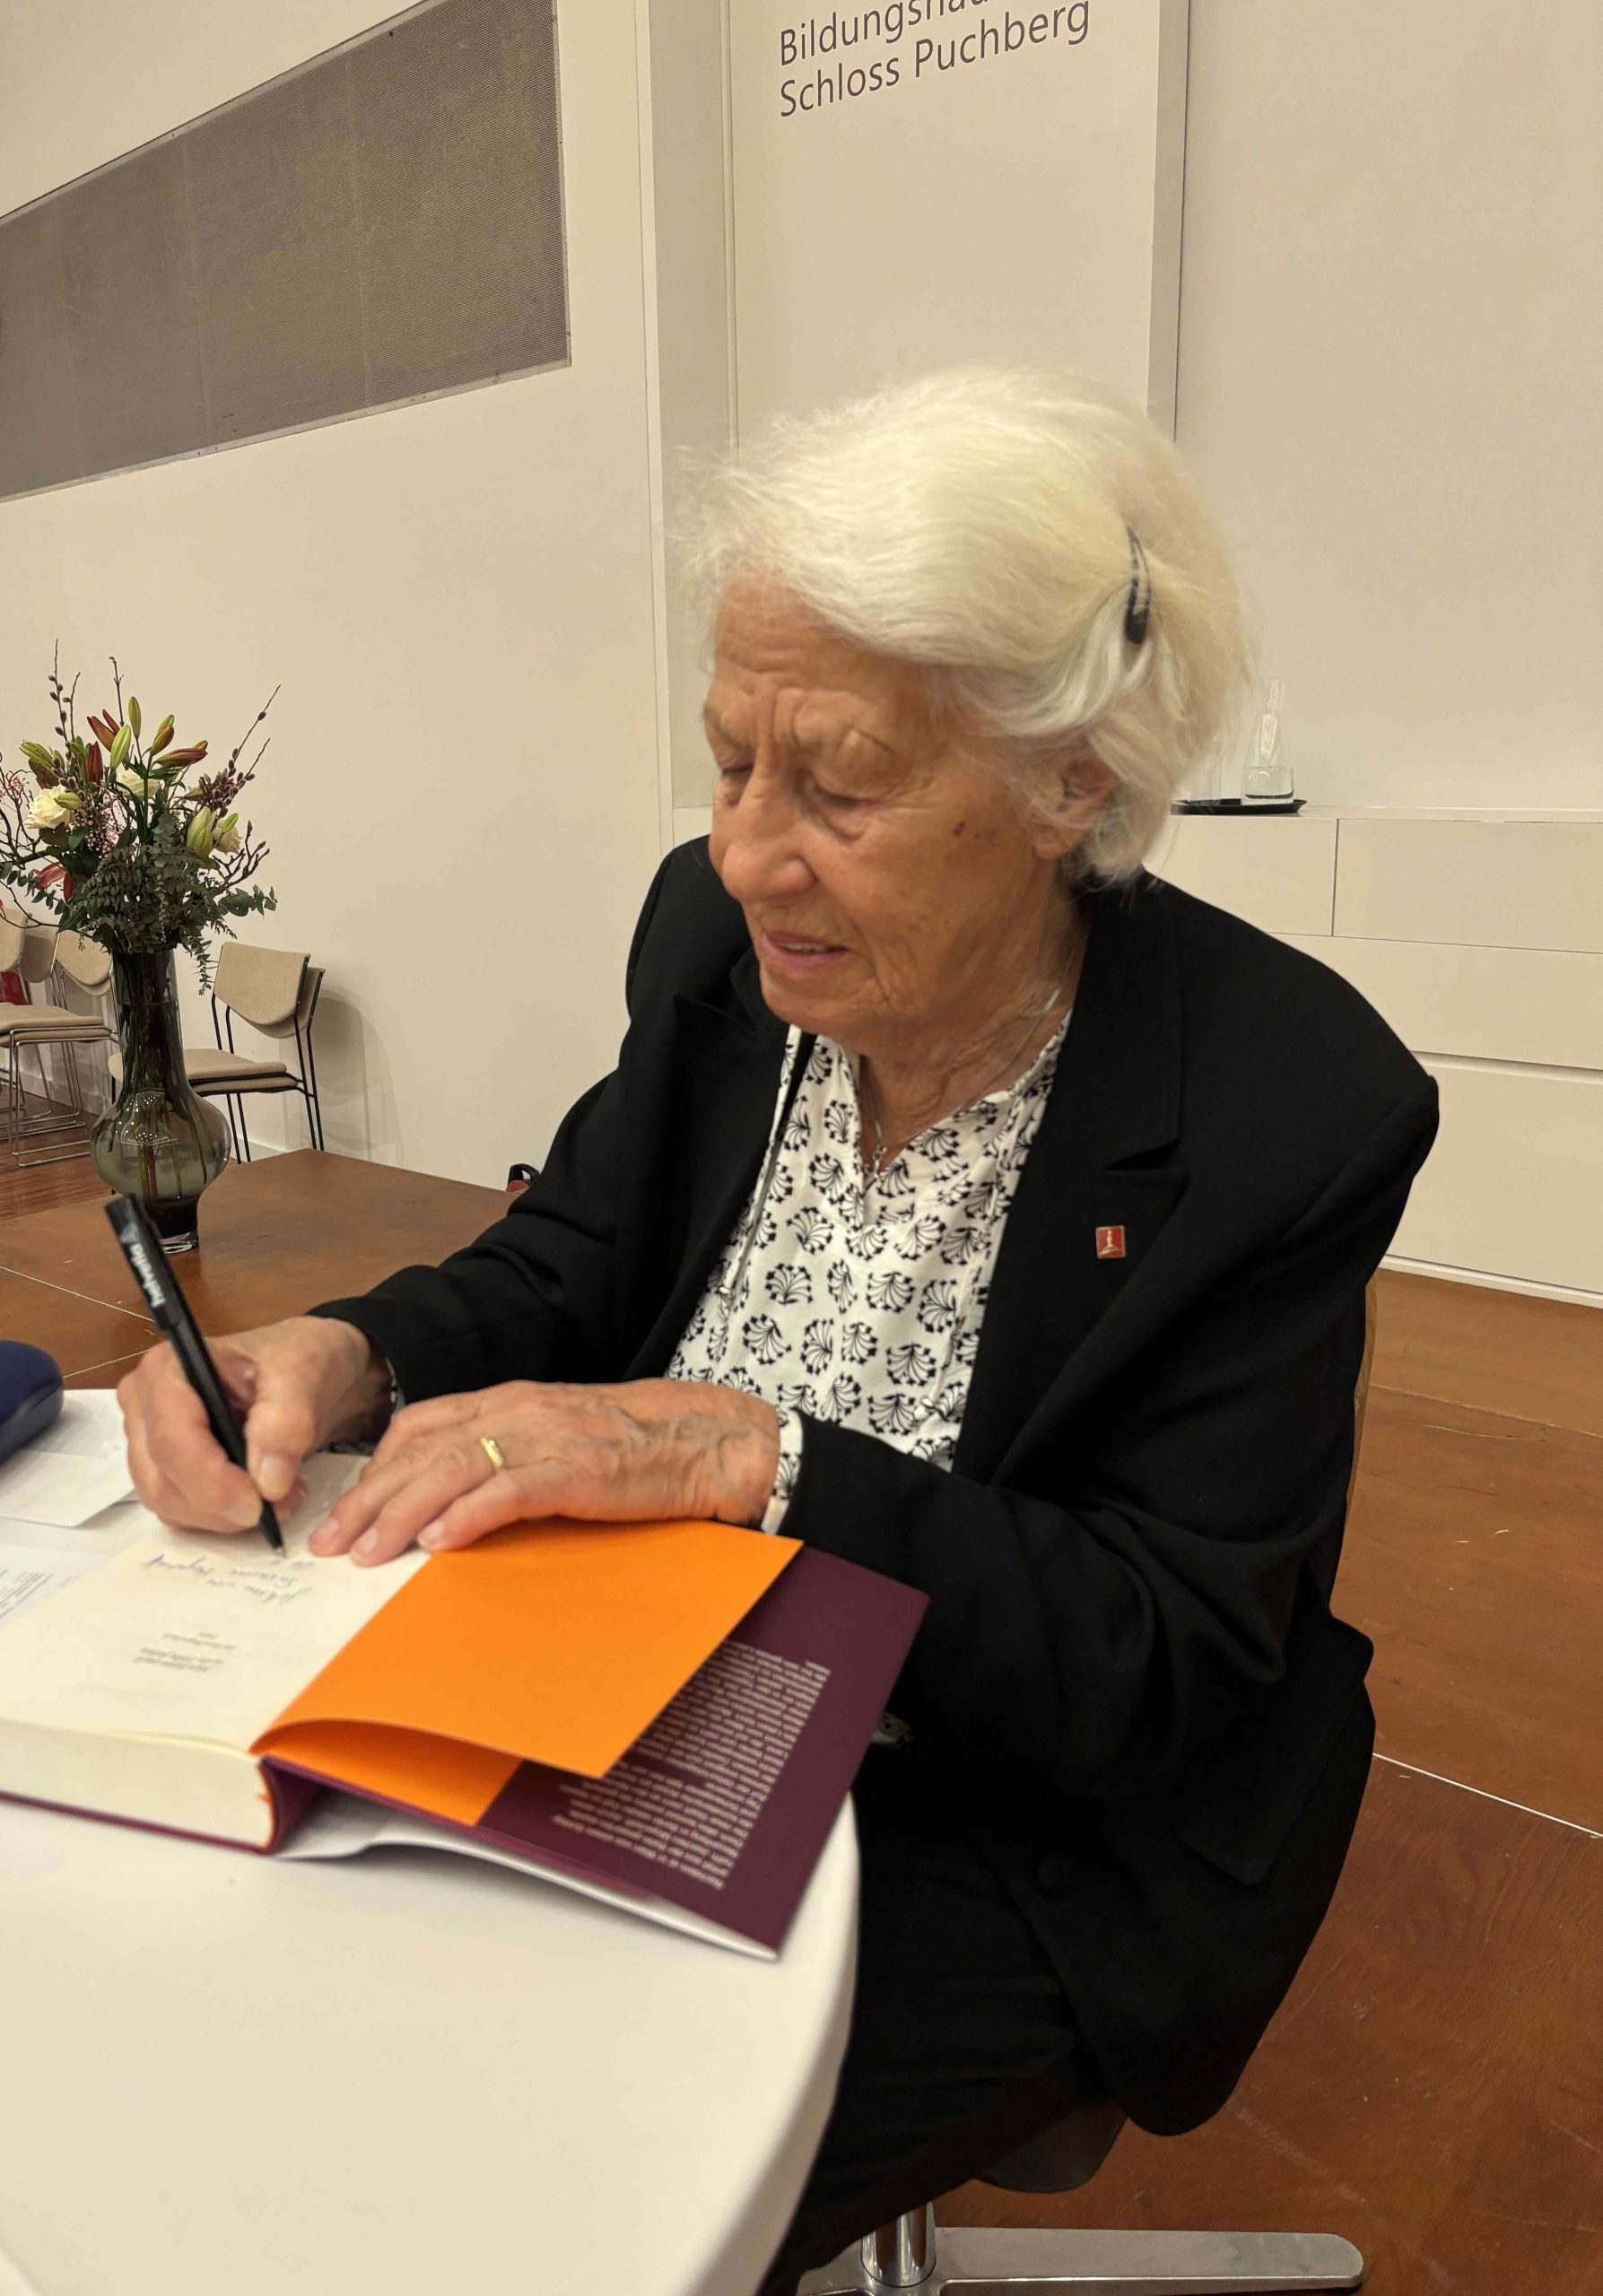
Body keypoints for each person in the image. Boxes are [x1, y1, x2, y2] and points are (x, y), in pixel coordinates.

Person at [119, 370, 1437, 2292]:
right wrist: (346, 1350)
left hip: (1002, 1811)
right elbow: (577, 1247)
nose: (747, 850)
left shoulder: (1283, 1102)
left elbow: (1160, 1653)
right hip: (613, 1687)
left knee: (515, 2191)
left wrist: (756, 1459)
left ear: (1071, 780)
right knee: (266, 1999)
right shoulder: (725, 944)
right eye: (729, 760)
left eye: (837, 784)